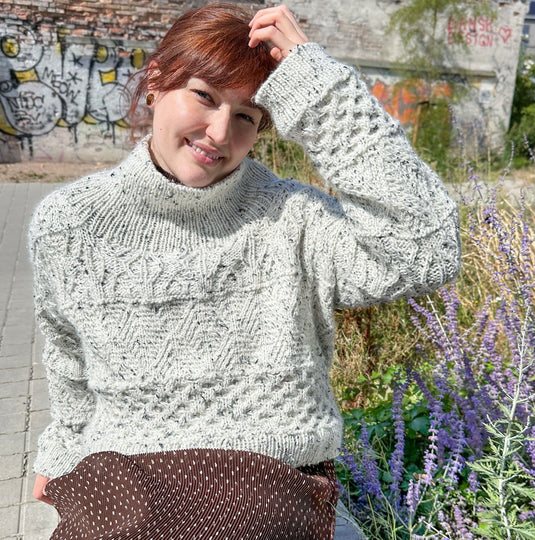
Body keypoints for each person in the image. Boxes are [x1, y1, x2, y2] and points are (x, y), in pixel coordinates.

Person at [29, 3, 461, 538]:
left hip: (274, 500)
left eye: (245, 117)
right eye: (204, 96)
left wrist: (318, 87)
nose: (218, 132)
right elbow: (67, 352)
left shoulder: (293, 219)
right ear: (157, 80)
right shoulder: (68, 223)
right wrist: (63, 447)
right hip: (128, 498)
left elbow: (426, 249)